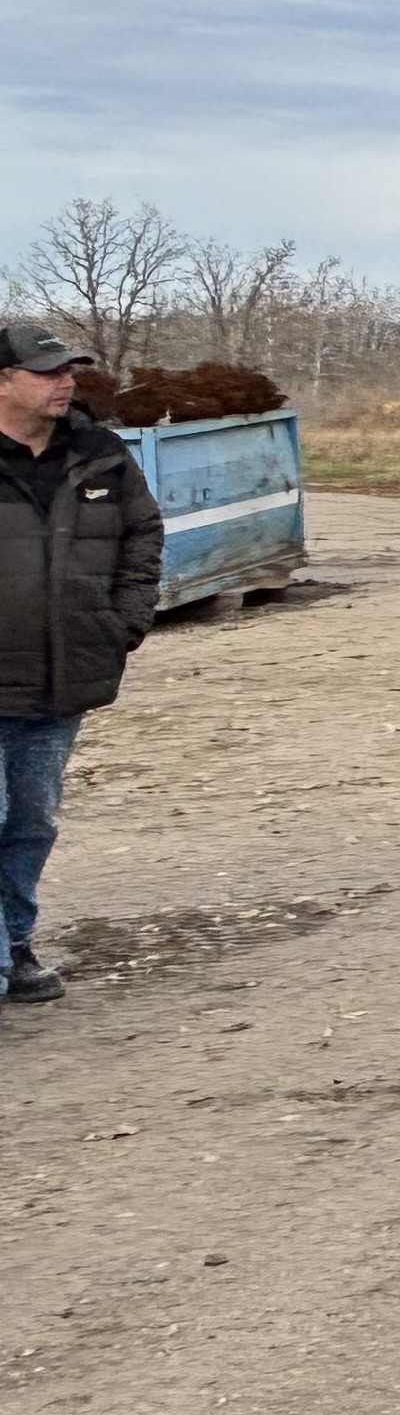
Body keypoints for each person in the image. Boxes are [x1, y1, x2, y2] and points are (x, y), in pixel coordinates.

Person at [0, 318, 162, 1007]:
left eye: (68, 368)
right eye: (45, 371)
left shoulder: (99, 454)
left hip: (61, 677)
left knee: (30, 823)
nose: (65, 380)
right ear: (3, 381)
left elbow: (143, 536)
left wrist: (121, 623)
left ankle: (13, 943)